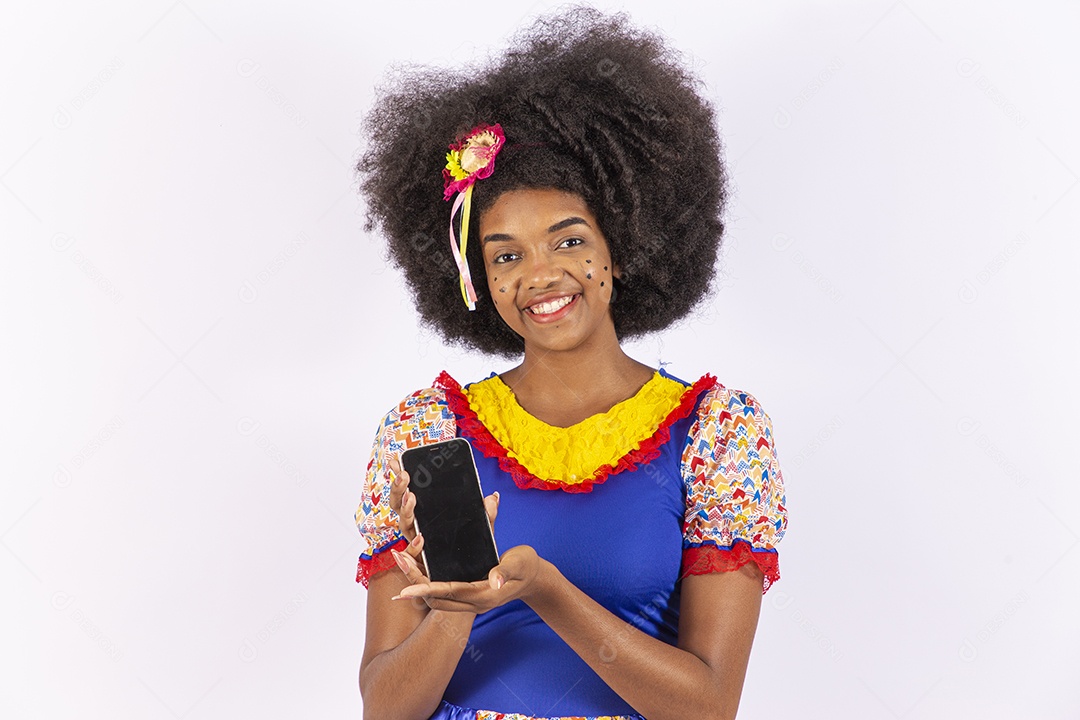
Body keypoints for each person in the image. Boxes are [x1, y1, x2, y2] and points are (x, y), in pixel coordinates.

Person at [352, 8, 788, 719]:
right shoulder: (428, 432)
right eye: (505, 255)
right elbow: (385, 710)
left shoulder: (713, 436)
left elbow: (708, 706)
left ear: (620, 245)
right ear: (477, 279)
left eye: (568, 240)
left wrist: (543, 589)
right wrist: (459, 605)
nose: (540, 275)